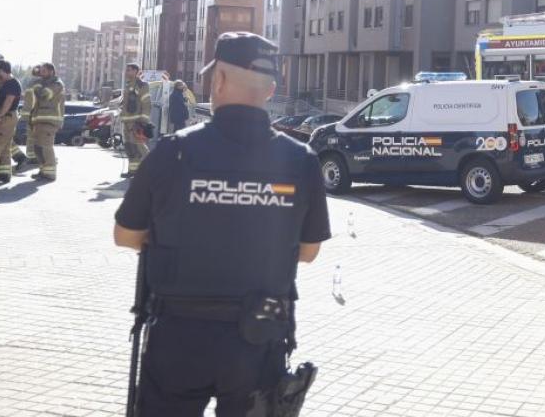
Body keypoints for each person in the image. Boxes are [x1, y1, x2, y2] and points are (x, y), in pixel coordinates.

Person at [113, 31, 330, 415]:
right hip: (259, 337)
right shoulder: (301, 160)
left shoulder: (174, 151)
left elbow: (126, 235)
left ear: (219, 81)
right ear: (270, 90)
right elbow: (309, 252)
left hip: (178, 335)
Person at [26, 63, 65, 181]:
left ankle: (50, 173)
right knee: (38, 148)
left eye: (43, 71)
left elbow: (44, 94)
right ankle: (43, 170)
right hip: (39, 120)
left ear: (51, 71)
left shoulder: (57, 84)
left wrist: (36, 85)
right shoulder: (42, 83)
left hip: (50, 121)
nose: (41, 73)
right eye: (40, 71)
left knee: (46, 147)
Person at [121, 63, 154, 178]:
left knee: (140, 146)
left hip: (136, 122)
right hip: (127, 123)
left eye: (129, 70)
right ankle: (133, 171)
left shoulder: (141, 85)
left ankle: (152, 169)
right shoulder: (128, 85)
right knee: (130, 147)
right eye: (127, 70)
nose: (127, 72)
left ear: (135, 71)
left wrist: (143, 121)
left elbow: (147, 103)